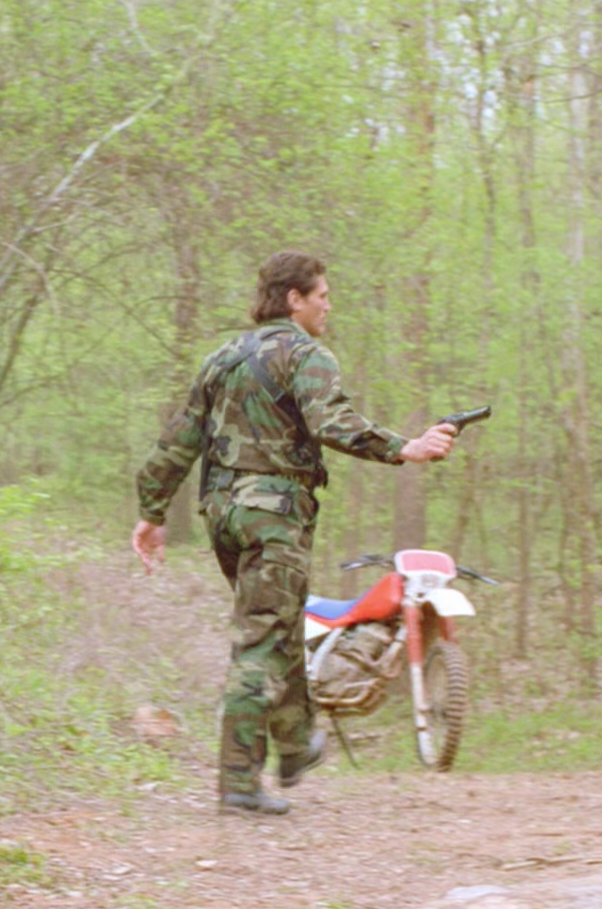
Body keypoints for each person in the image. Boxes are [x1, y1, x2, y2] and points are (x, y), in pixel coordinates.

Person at [131, 250, 458, 816]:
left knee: (279, 627)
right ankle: (237, 780)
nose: (328, 306)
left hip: (223, 517)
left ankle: (295, 746)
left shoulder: (222, 358)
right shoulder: (307, 354)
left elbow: (179, 438)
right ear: (294, 299)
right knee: (262, 640)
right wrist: (405, 448)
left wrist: (152, 511)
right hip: (272, 517)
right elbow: (332, 421)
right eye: (322, 296)